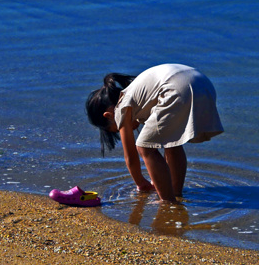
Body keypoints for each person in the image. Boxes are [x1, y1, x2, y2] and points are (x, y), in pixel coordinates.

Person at [85, 64, 223, 203]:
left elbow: (131, 156)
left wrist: (140, 183)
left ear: (109, 115)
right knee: (172, 142)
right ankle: (176, 193)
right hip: (203, 84)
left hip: (176, 89)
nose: (131, 129)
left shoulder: (121, 107)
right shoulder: (138, 96)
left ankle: (167, 202)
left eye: (116, 129)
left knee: (144, 147)